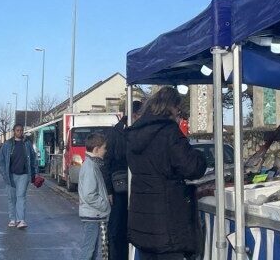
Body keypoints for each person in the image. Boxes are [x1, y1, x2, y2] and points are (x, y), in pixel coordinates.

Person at [127, 87, 207, 260]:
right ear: (172, 107)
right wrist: (200, 155)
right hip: (168, 221)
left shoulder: (133, 133)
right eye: (178, 109)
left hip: (142, 219)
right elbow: (192, 168)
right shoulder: (169, 132)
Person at [103, 101, 142, 260]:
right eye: (140, 115)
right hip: (119, 187)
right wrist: (109, 190)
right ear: (134, 115)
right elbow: (107, 162)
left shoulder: (138, 131)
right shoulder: (115, 133)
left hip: (136, 187)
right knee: (117, 227)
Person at [0, 124, 37, 229]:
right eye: (18, 130)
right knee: (11, 198)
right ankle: (12, 219)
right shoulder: (7, 144)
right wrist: (4, 174)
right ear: (14, 131)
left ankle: (21, 220)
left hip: (24, 174)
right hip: (10, 175)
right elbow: (0, 161)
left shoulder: (27, 144)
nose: (20, 132)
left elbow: (33, 158)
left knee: (21, 196)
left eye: (21, 130)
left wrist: (34, 173)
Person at [78, 132, 111, 260]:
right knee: (89, 250)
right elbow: (89, 194)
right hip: (93, 214)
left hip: (93, 214)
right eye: (104, 148)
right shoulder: (90, 167)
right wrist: (104, 204)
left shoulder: (91, 165)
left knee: (92, 250)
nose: (106, 151)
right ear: (96, 149)